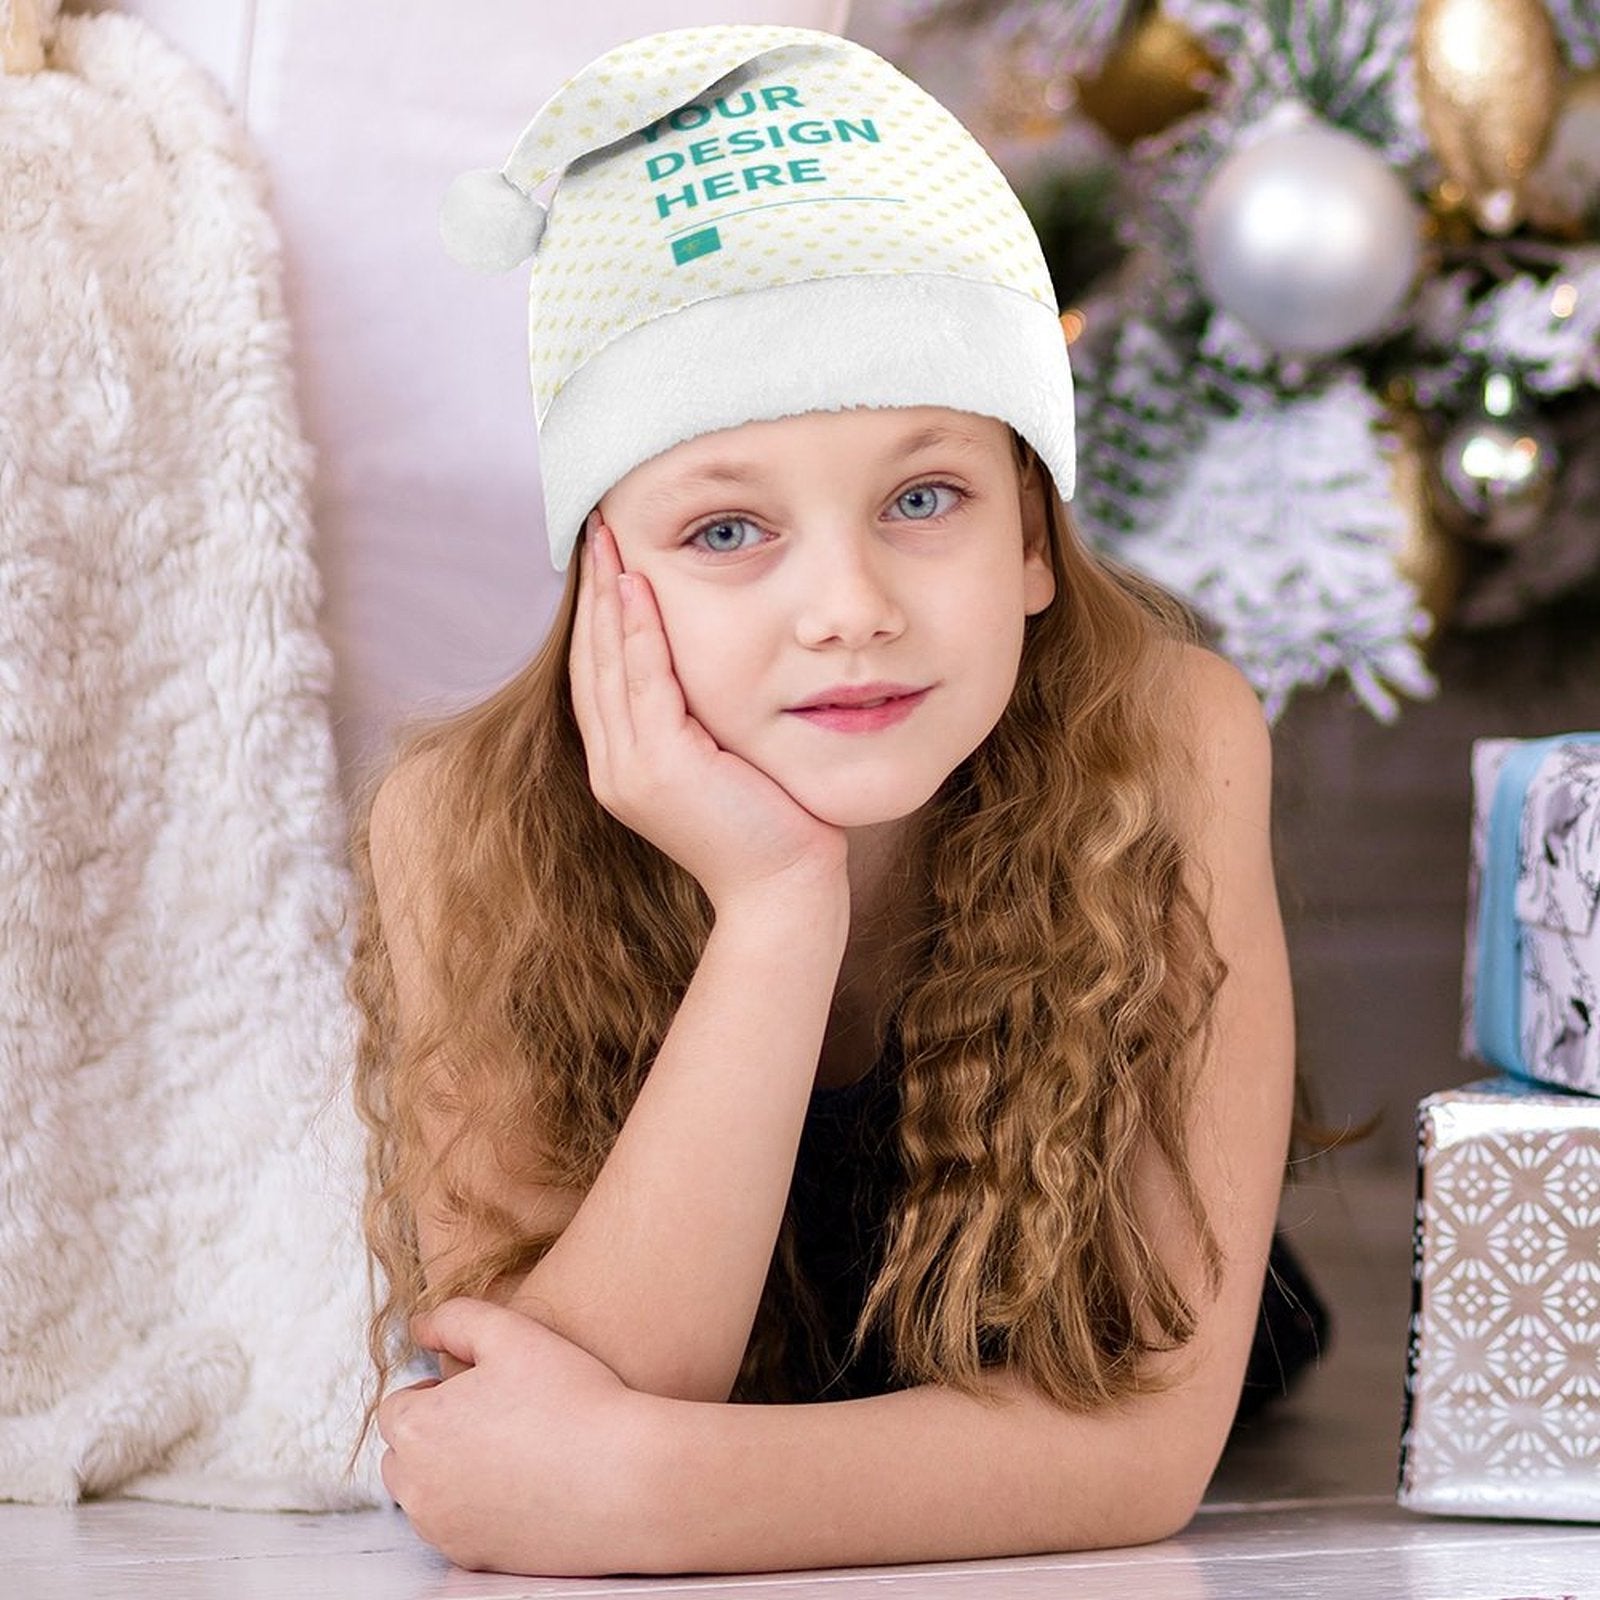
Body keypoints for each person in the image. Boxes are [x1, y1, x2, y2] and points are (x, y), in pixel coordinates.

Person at [351, 22, 1303, 1578]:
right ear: (606, 574)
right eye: (728, 530)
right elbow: (533, 1424)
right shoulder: (463, 824)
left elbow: (1140, 1442)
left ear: (1033, 540)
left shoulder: (1171, 735)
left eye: (924, 499)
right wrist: (775, 907)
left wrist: (650, 1492)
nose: (848, 605)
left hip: (1066, 1329)